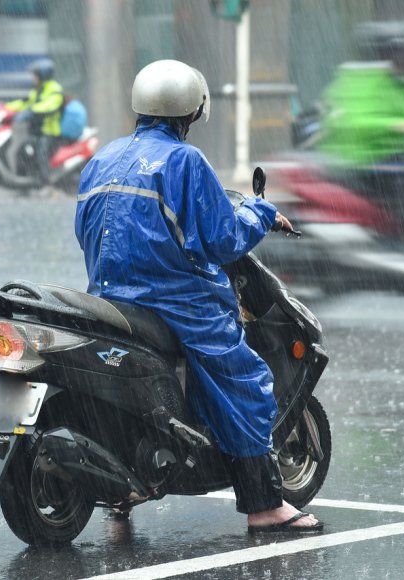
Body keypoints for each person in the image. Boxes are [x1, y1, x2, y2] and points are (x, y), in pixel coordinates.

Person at [74, 59, 323, 533]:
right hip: (175, 302)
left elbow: (89, 231)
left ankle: (119, 498)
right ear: (191, 111)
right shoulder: (184, 161)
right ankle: (265, 505)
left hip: (110, 300)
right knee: (245, 381)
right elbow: (223, 239)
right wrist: (261, 212)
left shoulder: (102, 158)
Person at [316, 21, 404, 240]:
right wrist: (397, 126)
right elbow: (353, 122)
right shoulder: (359, 81)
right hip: (365, 162)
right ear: (389, 52)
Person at [4, 58, 64, 183]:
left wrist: (32, 111)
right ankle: (24, 185)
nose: (33, 78)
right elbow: (24, 103)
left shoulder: (54, 89)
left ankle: (46, 184)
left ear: (43, 75)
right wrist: (5, 108)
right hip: (36, 133)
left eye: (35, 75)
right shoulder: (37, 90)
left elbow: (49, 105)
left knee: (41, 155)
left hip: (49, 134)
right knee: (21, 153)